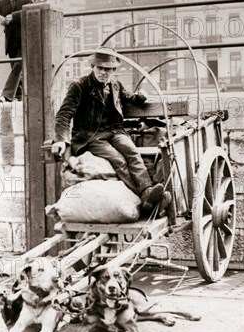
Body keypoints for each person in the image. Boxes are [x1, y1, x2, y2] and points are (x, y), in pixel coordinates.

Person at [51, 48, 170, 212]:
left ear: (114, 70)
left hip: (114, 132)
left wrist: (140, 97)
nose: (103, 73)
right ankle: (145, 197)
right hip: (90, 136)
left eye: (108, 69)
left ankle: (147, 191)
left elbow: (128, 98)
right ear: (93, 66)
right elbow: (64, 115)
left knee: (132, 152)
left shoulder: (115, 85)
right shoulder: (80, 86)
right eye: (100, 68)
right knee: (118, 160)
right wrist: (60, 140)